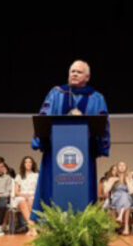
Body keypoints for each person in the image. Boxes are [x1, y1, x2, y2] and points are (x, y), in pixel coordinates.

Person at [31, 60, 110, 218]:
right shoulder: (56, 94)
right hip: (54, 153)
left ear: (87, 77)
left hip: (84, 156)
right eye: (72, 71)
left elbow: (103, 124)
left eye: (78, 72)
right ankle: (50, 226)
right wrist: (40, 140)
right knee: (49, 193)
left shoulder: (96, 98)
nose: (74, 74)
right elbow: (43, 117)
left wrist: (101, 146)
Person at [103, 161, 133, 235]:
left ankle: (120, 218)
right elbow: (106, 190)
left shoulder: (129, 179)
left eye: (123, 165)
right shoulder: (112, 179)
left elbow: (131, 191)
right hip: (115, 198)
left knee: (125, 195)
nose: (122, 166)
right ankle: (125, 227)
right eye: (120, 165)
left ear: (126, 167)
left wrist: (128, 182)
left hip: (127, 198)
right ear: (117, 168)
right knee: (124, 198)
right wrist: (111, 182)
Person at [13, 156, 39, 235]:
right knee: (22, 201)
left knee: (31, 200)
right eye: (26, 162)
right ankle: (33, 229)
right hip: (22, 195)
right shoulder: (19, 176)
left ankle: (30, 229)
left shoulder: (37, 175)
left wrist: (31, 194)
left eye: (30, 162)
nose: (28, 163)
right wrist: (24, 194)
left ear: (32, 164)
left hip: (33, 195)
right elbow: (16, 192)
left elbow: (39, 190)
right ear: (23, 164)